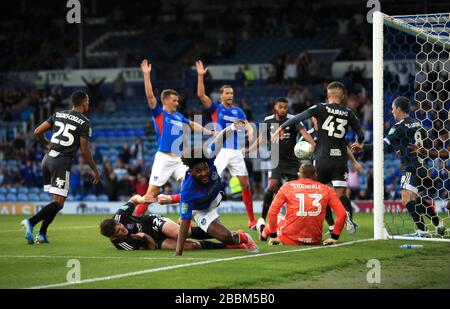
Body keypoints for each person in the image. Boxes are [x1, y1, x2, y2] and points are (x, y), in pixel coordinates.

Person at [272, 81, 364, 234]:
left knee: (318, 194)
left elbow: (298, 117)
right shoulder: (349, 112)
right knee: (341, 194)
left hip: (322, 158)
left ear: (328, 95)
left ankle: (322, 226)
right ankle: (347, 219)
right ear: (342, 96)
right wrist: (359, 143)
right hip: (340, 159)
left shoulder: (320, 108)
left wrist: (281, 127)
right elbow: (360, 134)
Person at [352, 97, 445, 236]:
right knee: (416, 199)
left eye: (393, 108)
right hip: (423, 167)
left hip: (411, 167)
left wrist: (362, 146)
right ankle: (438, 224)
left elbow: (382, 145)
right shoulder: (416, 123)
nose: (392, 111)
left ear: (399, 109)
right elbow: (423, 145)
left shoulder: (398, 126)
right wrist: (403, 150)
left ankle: (422, 230)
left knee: (405, 197)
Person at [135, 59, 215, 216]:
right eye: (174, 100)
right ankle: (133, 220)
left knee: (188, 187)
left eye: (177, 100)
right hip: (163, 158)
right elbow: (150, 96)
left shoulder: (179, 116)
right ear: (165, 101)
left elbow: (192, 124)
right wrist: (146, 76)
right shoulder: (159, 114)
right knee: (151, 193)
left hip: (179, 159)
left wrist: (209, 132)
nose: (177, 103)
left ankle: (184, 219)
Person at [21, 91, 100, 244]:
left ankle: (42, 234)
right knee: (58, 203)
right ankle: (30, 222)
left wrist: (47, 143)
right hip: (61, 162)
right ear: (84, 103)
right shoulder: (85, 122)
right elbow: (84, 150)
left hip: (47, 159)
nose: (88, 104)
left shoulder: (59, 114)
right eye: (88, 101)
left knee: (57, 202)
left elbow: (37, 131)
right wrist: (95, 170)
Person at [174, 120, 259, 256]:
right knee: (226, 238)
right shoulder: (187, 191)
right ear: (191, 171)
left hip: (215, 197)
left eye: (205, 169)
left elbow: (220, 137)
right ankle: (243, 237)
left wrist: (232, 127)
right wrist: (178, 252)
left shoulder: (209, 156)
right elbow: (185, 223)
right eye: (198, 171)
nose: (204, 173)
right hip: (201, 209)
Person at [196, 60, 257, 229]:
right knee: (207, 181)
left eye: (232, 93)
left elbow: (247, 124)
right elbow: (201, 96)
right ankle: (192, 210)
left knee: (245, 185)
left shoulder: (238, 111)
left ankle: (251, 219)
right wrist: (201, 76)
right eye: (227, 93)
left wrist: (250, 131)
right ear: (221, 95)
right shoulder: (216, 109)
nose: (230, 96)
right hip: (221, 150)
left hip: (236, 152)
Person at [245, 97, 316, 232]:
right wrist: (250, 149)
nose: (283, 109)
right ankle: (262, 219)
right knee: (271, 187)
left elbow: (303, 132)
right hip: (276, 160)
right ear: (275, 107)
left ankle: (298, 220)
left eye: (285, 107)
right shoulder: (268, 121)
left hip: (292, 161)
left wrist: (312, 143)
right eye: (280, 107)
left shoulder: (293, 119)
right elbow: (261, 138)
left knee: (297, 191)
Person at [100, 195, 246, 251]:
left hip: (152, 223)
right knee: (191, 246)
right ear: (113, 238)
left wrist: (142, 199)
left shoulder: (119, 216)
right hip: (155, 240)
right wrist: (144, 237)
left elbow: (133, 199)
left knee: (181, 233)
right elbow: (151, 248)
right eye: (118, 232)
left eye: (120, 226)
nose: (122, 229)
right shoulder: (123, 245)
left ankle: (228, 234)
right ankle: (228, 243)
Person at [301, 116, 364, 235]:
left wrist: (354, 162)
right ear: (313, 120)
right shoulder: (313, 133)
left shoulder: (327, 130)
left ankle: (341, 223)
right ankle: (335, 224)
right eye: (315, 118)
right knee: (335, 195)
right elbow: (299, 150)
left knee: (326, 195)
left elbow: (344, 147)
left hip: (322, 166)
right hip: (332, 164)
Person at [260, 163, 346, 246]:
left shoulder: (287, 187)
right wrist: (334, 237)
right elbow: (342, 214)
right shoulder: (327, 189)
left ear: (300, 175)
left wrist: (273, 236)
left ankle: (263, 236)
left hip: (289, 239)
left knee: (279, 217)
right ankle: (264, 235)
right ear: (315, 175)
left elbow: (272, 212)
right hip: (315, 239)